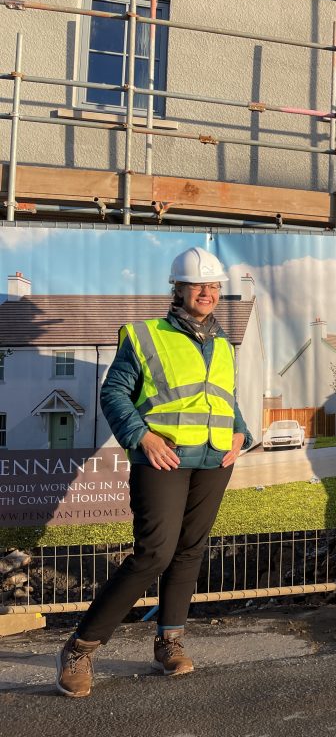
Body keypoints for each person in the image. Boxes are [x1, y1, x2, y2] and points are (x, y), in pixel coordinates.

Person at [56, 246, 253, 697]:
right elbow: (114, 395)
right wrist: (142, 438)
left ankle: (169, 641)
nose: (207, 292)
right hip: (161, 458)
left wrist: (240, 431)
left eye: (214, 285)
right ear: (178, 288)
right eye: (198, 285)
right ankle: (80, 648)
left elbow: (223, 397)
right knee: (153, 555)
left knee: (189, 551)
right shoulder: (145, 335)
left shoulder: (222, 342)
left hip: (213, 459)